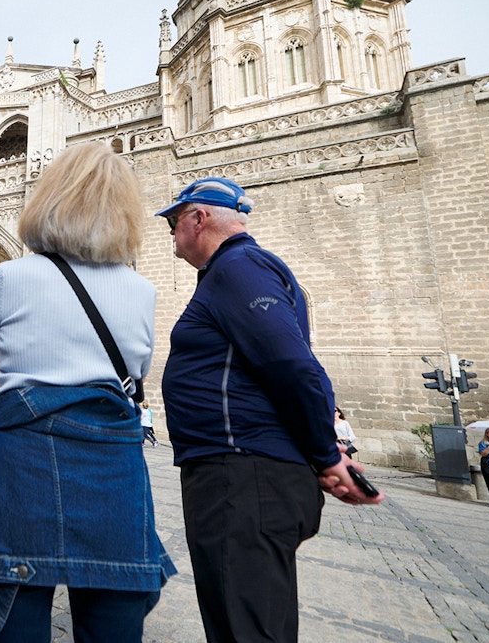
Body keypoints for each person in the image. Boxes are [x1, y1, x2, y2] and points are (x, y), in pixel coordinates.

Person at [0, 142, 177, 642]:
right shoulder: (142, 290)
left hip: (23, 460)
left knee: (16, 615)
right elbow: (132, 376)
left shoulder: (9, 276)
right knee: (112, 616)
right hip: (112, 464)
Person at [157, 177, 383, 643]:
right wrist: (322, 452)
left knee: (246, 629)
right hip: (243, 476)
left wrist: (324, 453)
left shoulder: (238, 268)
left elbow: (292, 365)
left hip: (241, 478)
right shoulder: (236, 271)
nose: (171, 234)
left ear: (200, 218)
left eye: (175, 222)